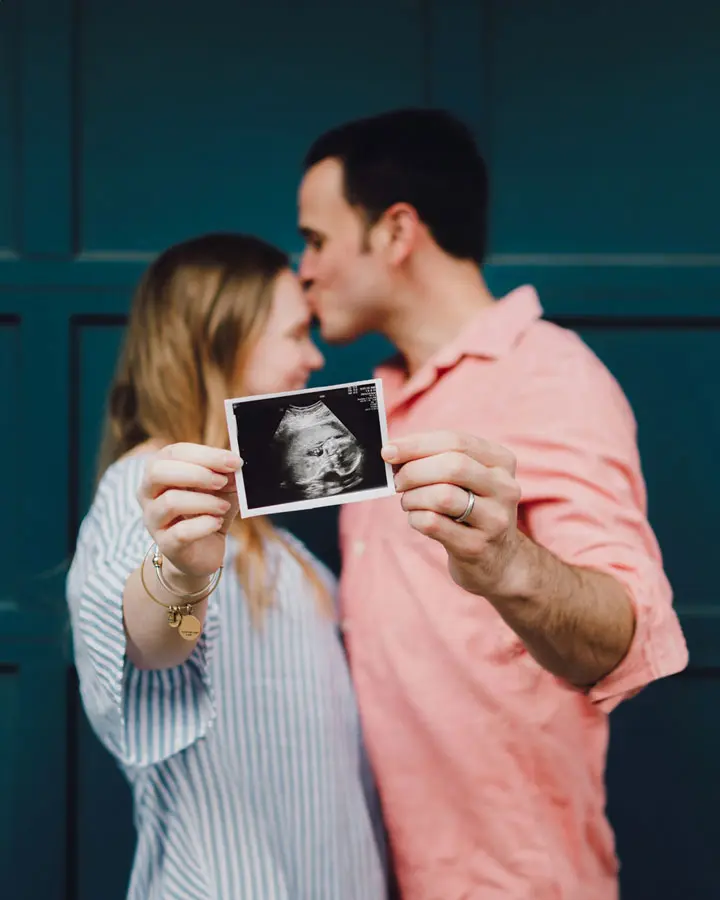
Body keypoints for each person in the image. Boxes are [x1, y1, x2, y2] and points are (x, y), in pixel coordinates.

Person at [297, 108, 689, 900]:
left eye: (316, 239)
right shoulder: (368, 401)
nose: (302, 269)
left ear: (396, 231)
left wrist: (506, 559)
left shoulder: (550, 376)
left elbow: (626, 638)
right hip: (372, 873)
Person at [66, 233, 389, 900]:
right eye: (296, 333)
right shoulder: (148, 493)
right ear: (222, 339)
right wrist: (182, 576)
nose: (314, 356)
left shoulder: (272, 540)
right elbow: (150, 647)